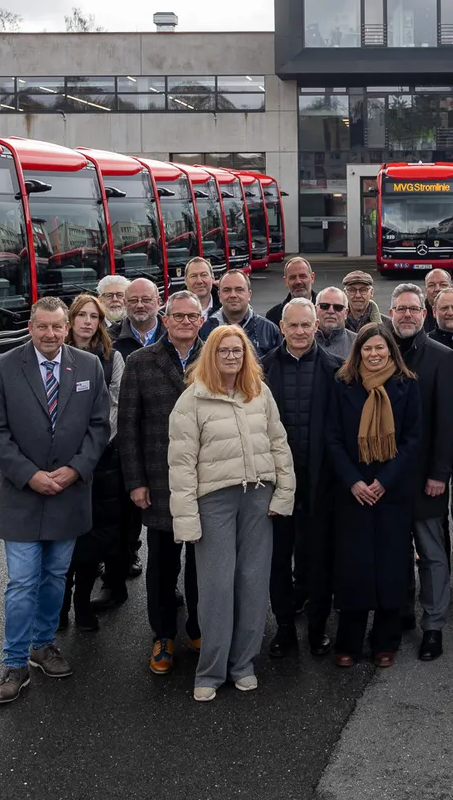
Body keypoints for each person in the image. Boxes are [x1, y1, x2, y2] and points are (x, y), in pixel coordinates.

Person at [0, 297, 112, 706]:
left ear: (67, 327)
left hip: (69, 494)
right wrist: (29, 475)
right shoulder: (3, 367)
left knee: (55, 577)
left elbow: (99, 426)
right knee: (22, 582)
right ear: (31, 326)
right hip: (22, 496)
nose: (51, 335)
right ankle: (15, 662)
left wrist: (75, 470)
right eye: (44, 327)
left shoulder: (88, 366)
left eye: (58, 327)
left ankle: (42, 644)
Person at [168, 325, 294, 701]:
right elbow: (181, 464)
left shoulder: (259, 393)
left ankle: (242, 664)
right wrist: (186, 517)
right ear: (211, 355)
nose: (231, 357)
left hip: (258, 498)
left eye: (237, 351)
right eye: (223, 351)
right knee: (216, 588)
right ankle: (210, 670)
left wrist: (283, 493)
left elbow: (278, 444)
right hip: (215, 502)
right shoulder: (192, 401)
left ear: (246, 355)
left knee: (253, 583)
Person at [116, 290, 205, 677]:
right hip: (159, 479)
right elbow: (128, 427)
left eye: (193, 317)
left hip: (207, 478)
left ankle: (200, 628)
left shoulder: (218, 356)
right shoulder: (139, 362)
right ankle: (163, 634)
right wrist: (135, 481)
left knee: (203, 563)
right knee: (162, 565)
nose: (186, 323)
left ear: (202, 320)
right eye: (178, 317)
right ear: (165, 320)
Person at [325, 323, 425, 667]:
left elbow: (414, 438)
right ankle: (348, 643)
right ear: (358, 352)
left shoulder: (407, 385)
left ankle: (386, 641)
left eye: (380, 348)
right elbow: (332, 437)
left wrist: (385, 480)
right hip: (352, 491)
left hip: (391, 490)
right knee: (353, 567)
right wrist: (353, 481)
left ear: (390, 350)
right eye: (367, 349)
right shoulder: (342, 384)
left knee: (391, 566)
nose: (373, 354)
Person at [387, 283, 453, 662]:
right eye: (399, 309)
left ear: (425, 313)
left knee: (432, 554)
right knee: (395, 550)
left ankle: (433, 625)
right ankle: (401, 610)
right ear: (390, 313)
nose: (406, 315)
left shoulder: (442, 357)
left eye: (413, 309)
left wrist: (440, 473)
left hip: (426, 478)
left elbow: (448, 423)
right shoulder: (377, 351)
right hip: (388, 477)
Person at [260, 298, 340, 657]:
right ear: (281, 328)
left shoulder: (337, 371)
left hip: (321, 482)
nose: (300, 332)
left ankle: (319, 626)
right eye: (292, 325)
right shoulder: (260, 371)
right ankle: (284, 627)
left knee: (320, 557)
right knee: (278, 559)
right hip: (276, 483)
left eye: (306, 325)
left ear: (316, 326)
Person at [59, 293, 128, 634]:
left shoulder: (112, 359)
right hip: (61, 460)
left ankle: (82, 604)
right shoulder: (53, 354)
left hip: (101, 460)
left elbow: (114, 408)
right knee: (61, 536)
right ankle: (58, 605)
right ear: (70, 320)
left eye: (94, 317)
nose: (88, 322)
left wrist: (91, 447)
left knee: (92, 537)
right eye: (81, 315)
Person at [199, 268, 282, 354]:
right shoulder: (206, 330)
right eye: (227, 290)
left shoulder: (269, 331)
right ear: (219, 295)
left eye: (239, 290)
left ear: (249, 295)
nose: (233, 295)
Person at [113, 278, 164, 357]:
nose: (140, 305)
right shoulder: (110, 339)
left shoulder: (173, 335)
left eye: (146, 300)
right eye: (133, 300)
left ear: (158, 302)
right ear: (125, 303)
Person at [265, 256, 317, 325]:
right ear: (285, 281)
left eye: (303, 276)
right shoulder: (272, 317)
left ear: (312, 278)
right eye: (293, 277)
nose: (298, 282)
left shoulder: (327, 309)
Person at [314, 287, 356, 364]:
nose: (331, 311)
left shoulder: (357, 343)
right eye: (324, 306)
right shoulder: (302, 340)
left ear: (346, 313)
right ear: (315, 309)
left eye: (338, 307)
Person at [422, 267, 453, 332]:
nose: (437, 289)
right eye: (431, 285)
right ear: (425, 290)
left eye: (443, 285)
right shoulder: (416, 316)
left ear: (451, 288)